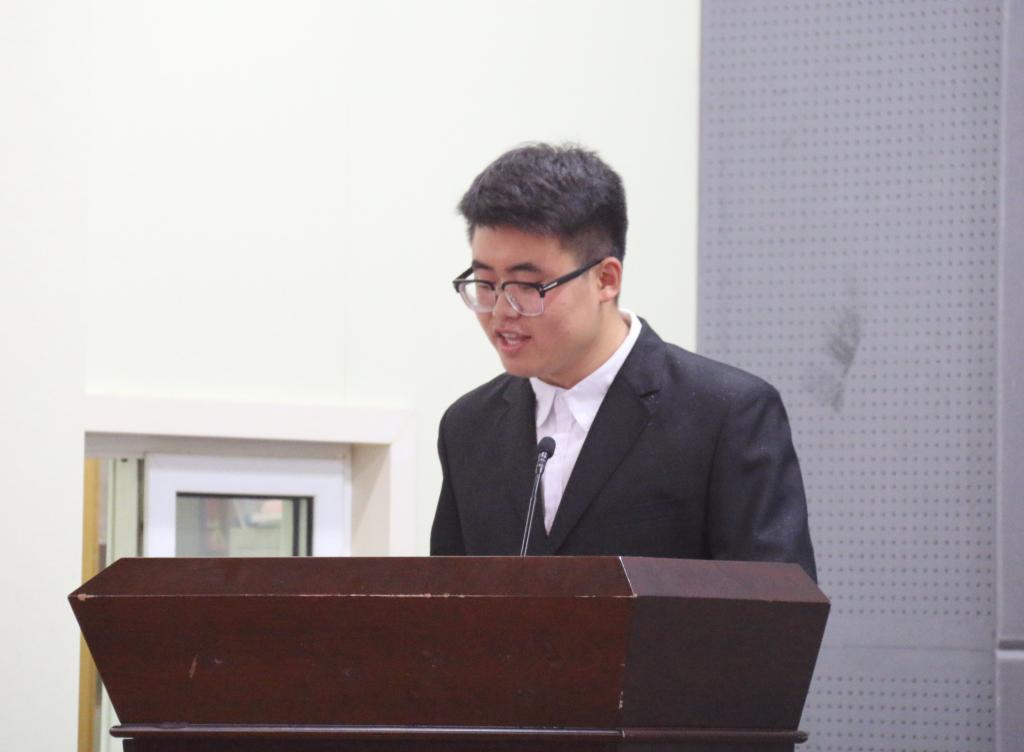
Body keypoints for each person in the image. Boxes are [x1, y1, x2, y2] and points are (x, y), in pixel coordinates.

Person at [429, 143, 816, 581]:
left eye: (527, 286)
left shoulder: (726, 414)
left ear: (605, 279)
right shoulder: (468, 426)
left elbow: (774, 607)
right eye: (485, 283)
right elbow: (448, 600)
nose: (501, 311)